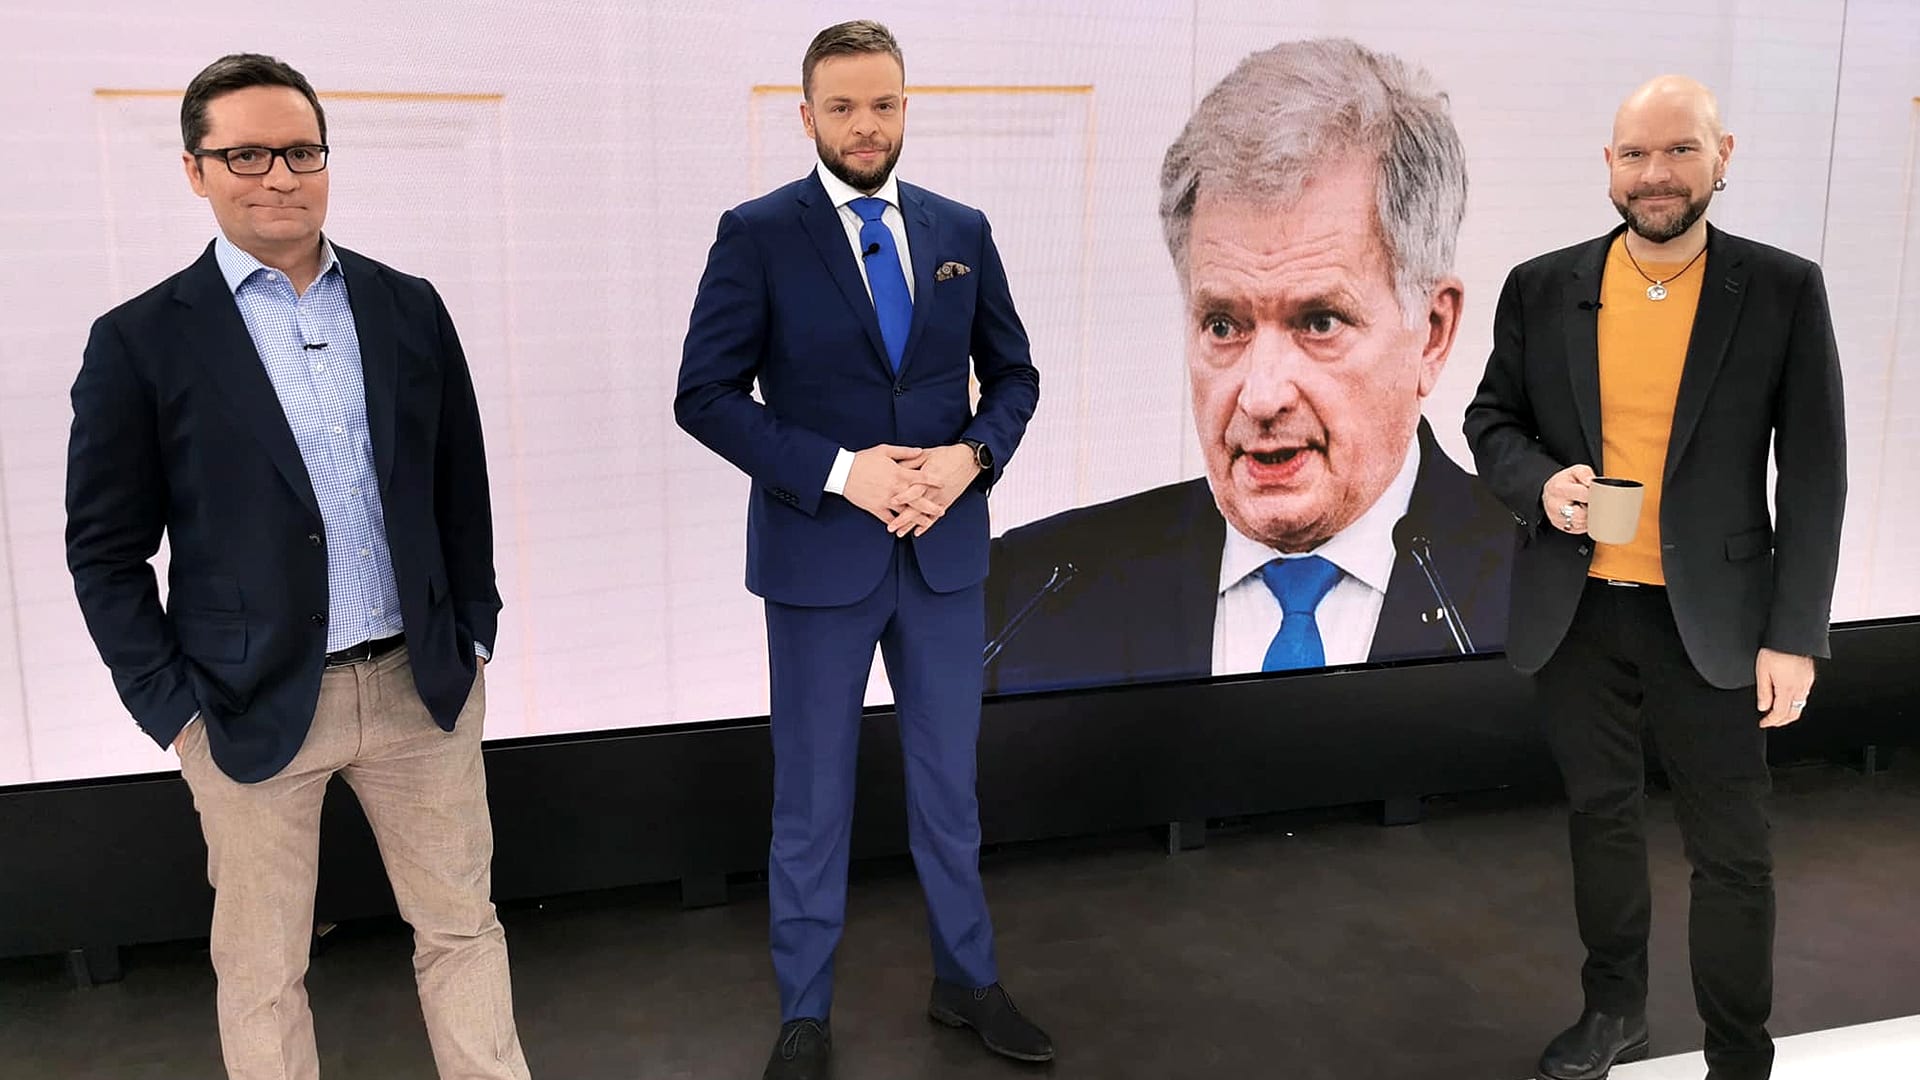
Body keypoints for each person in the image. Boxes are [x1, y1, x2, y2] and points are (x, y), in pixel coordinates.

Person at [64, 53, 531, 1080]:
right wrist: (173, 712)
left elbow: (461, 483)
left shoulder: (407, 306)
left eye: (300, 151)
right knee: (263, 970)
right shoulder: (139, 341)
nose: (278, 175)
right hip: (245, 705)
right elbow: (102, 549)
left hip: (419, 685)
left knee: (464, 929)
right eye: (246, 155)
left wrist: (475, 631)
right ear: (196, 170)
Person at [673, 20, 1053, 1080]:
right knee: (811, 802)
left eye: (883, 104)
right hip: (818, 563)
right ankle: (804, 1012)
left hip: (943, 557)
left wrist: (972, 458)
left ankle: (967, 981)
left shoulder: (960, 229)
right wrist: (844, 471)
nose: (865, 124)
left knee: (950, 790)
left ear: (905, 107)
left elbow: (1014, 377)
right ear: (806, 117)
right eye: (842, 107)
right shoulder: (756, 234)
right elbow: (704, 395)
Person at [1464, 75, 1845, 1080]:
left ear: (1724, 155)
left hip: (1714, 621)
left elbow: (1815, 473)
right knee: (1601, 819)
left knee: (1733, 854)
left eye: (1680, 150)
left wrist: (1795, 633)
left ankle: (1739, 1055)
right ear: (1609, 165)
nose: (1656, 173)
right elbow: (1491, 421)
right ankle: (1614, 1012)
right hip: (1579, 613)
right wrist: (1541, 484)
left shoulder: (1780, 289)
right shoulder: (1542, 285)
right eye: (1635, 154)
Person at [984, 38, 1513, 697]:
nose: (1261, 397)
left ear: (1432, 334)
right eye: (1223, 325)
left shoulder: (1554, 594)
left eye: (1319, 322)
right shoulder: (1031, 595)